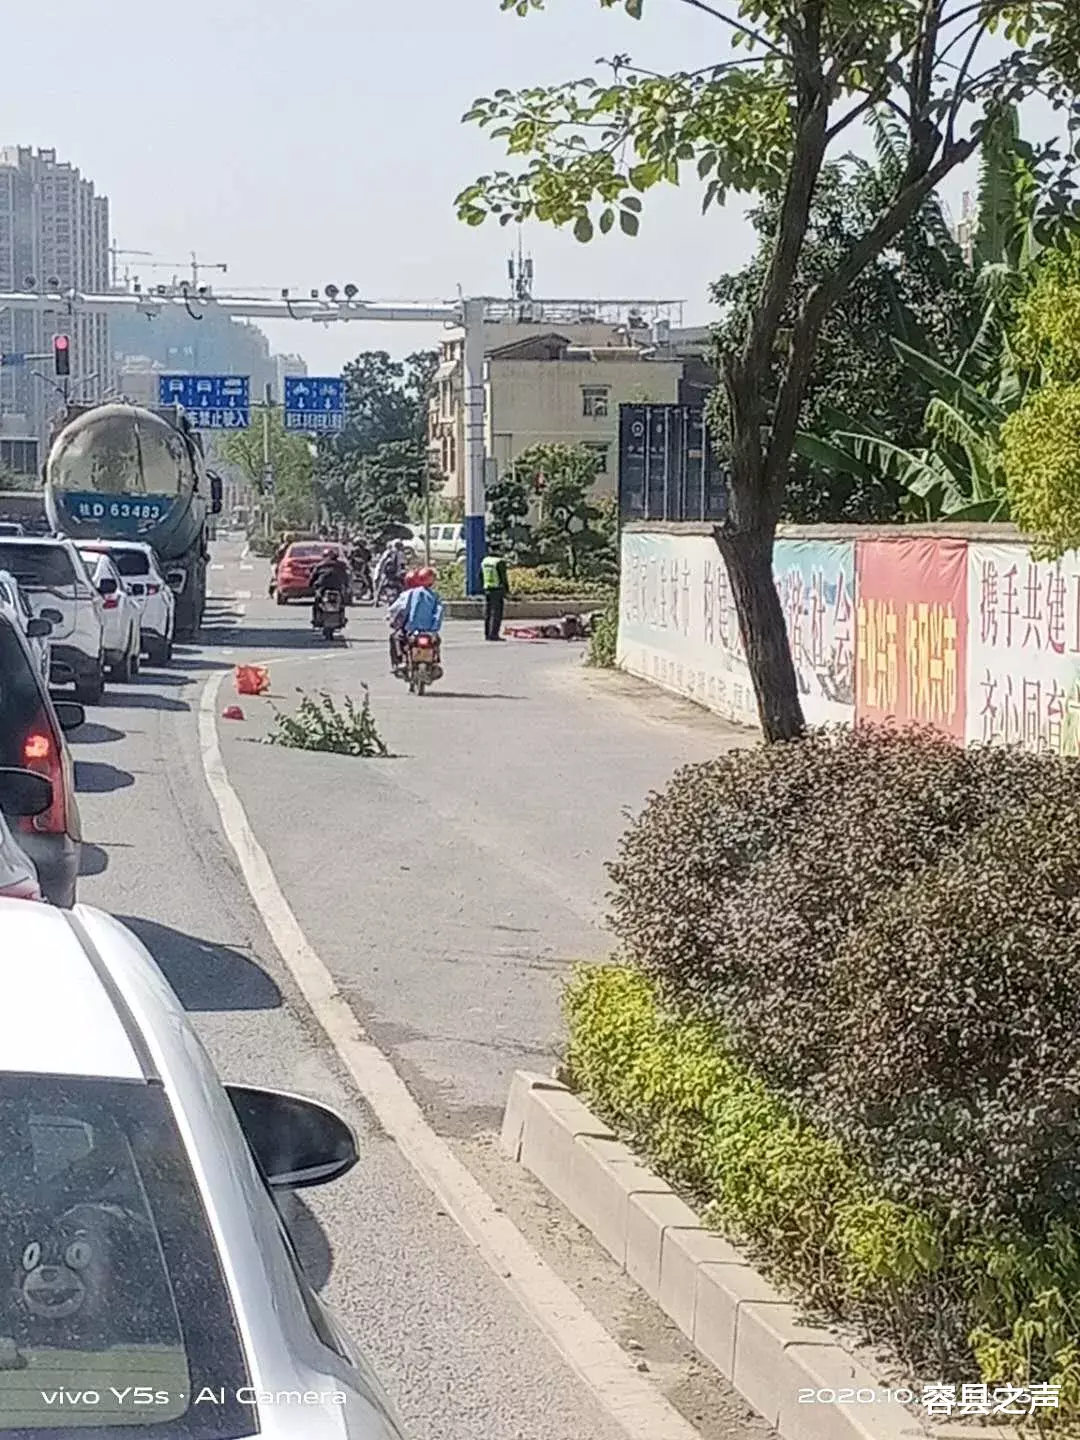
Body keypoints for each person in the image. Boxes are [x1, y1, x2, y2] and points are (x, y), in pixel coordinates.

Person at [388, 566, 444, 672]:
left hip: (412, 629)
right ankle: (435, 661)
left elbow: (402, 609)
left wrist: (396, 621)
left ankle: (401, 660)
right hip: (429, 631)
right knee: (437, 642)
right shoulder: (434, 596)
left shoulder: (411, 594)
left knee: (397, 638)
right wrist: (434, 629)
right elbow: (438, 613)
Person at [309, 546, 351, 623]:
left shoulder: (320, 565)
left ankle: (316, 619)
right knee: (341, 602)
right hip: (336, 587)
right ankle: (342, 618)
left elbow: (312, 577)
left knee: (317, 602)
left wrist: (311, 585)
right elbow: (346, 577)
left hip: (324, 587)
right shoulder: (341, 565)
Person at [481, 548, 510, 641]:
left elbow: (480, 575)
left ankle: (487, 634)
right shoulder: (499, 562)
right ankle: (494, 634)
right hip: (497, 589)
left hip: (487, 588)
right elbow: (503, 577)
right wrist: (507, 590)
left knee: (488, 613)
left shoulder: (485, 561)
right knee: (496, 613)